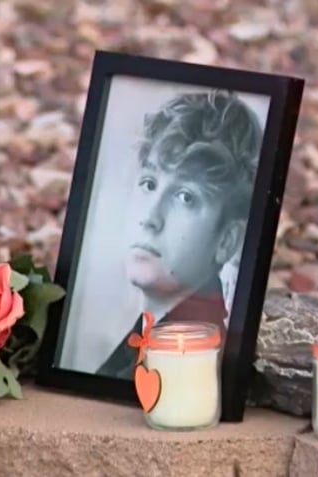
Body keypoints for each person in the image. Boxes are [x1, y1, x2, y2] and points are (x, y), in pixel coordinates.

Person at [96, 89, 263, 379]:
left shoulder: (190, 365)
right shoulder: (146, 333)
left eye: (185, 197)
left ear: (226, 241)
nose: (150, 218)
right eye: (149, 183)